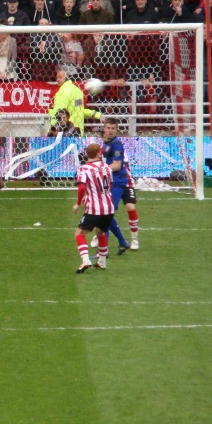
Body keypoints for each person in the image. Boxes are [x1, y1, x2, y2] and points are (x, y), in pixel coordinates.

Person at [91, 118, 140, 255]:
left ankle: (103, 252)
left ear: (116, 129)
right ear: (104, 129)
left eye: (113, 128)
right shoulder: (106, 143)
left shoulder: (117, 144)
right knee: (107, 214)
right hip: (110, 182)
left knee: (105, 214)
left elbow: (117, 166)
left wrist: (99, 170)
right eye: (108, 128)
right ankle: (123, 242)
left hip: (118, 182)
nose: (110, 130)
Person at [73, 143, 114, 273]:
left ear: (87, 154)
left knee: (79, 234)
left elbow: (81, 187)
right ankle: (102, 262)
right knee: (100, 232)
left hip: (94, 209)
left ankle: (85, 261)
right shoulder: (107, 167)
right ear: (98, 153)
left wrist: (78, 203)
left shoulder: (84, 169)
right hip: (108, 207)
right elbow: (110, 186)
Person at [48, 70, 104, 136]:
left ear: (66, 77)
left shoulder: (62, 92)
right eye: (56, 77)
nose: (57, 79)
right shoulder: (77, 91)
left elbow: (58, 112)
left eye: (60, 77)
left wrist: (52, 128)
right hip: (78, 130)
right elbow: (79, 110)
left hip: (65, 133)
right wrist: (96, 114)